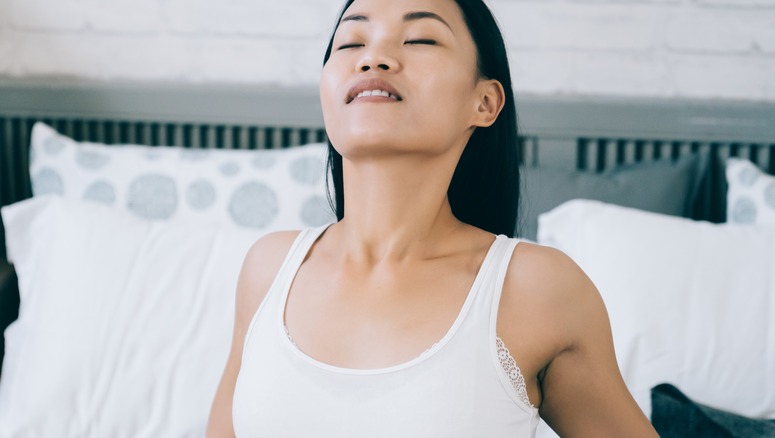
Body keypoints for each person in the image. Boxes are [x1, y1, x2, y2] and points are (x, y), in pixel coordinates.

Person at [208, 0, 659, 436]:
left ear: (484, 103)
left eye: (420, 38)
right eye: (350, 43)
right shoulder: (268, 268)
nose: (373, 58)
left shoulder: (536, 289)